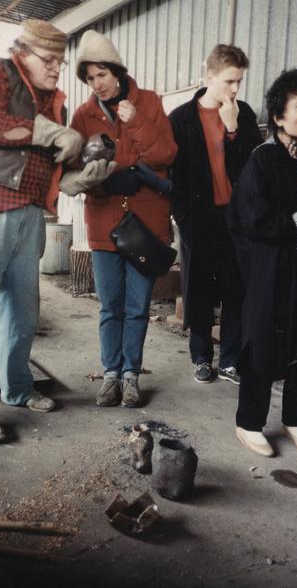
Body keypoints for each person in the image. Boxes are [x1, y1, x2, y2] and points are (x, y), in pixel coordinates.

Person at [0, 20, 112, 445]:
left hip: (29, 211)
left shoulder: (52, 100)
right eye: (49, 60)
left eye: (60, 60)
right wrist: (54, 132)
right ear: (22, 54)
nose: (57, 68)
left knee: (22, 309)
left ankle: (17, 388)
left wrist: (77, 181)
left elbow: (47, 165)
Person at [60, 30, 177, 408]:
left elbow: (166, 155)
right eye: (90, 78)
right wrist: (102, 182)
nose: (97, 84)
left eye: (102, 75)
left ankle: (131, 376)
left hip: (144, 224)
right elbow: (74, 171)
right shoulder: (83, 115)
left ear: (118, 71)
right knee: (110, 305)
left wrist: (138, 121)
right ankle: (110, 374)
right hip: (105, 223)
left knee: (138, 306)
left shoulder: (150, 103)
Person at [227, 69, 297, 457]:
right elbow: (247, 218)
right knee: (265, 345)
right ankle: (249, 423)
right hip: (276, 271)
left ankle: (295, 417)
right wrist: (296, 224)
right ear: (280, 116)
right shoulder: (265, 158)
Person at [169, 44, 263, 385]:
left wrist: (234, 129)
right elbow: (173, 176)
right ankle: (200, 358)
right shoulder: (180, 119)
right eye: (229, 81)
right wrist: (183, 218)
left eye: (239, 81)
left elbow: (255, 169)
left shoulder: (245, 114)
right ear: (209, 76)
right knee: (199, 292)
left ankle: (230, 360)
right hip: (198, 221)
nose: (235, 89)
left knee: (236, 290)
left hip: (236, 221)